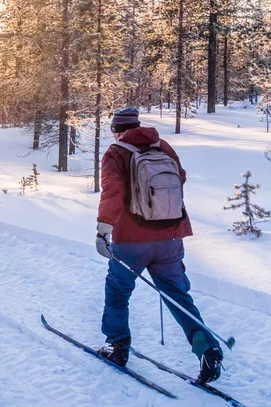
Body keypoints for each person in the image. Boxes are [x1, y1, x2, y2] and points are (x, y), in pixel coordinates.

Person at [94, 107, 223, 384]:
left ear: (117, 130)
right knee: (177, 295)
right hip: (170, 236)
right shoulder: (163, 146)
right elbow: (181, 178)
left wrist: (104, 228)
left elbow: (112, 192)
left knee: (118, 291)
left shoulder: (116, 152)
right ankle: (208, 349)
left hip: (131, 239)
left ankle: (117, 348)